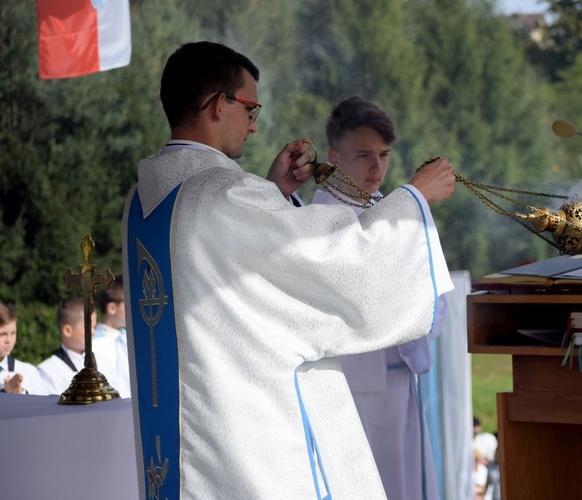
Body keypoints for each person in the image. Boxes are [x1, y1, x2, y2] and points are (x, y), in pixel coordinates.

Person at [122, 41, 455, 500]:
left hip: (190, 440)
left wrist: (272, 192)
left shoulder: (145, 201)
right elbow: (340, 262)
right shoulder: (224, 195)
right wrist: (413, 198)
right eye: (250, 109)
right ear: (220, 105)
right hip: (256, 445)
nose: (254, 126)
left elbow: (233, 275)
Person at [312, 95, 442, 499]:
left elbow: (435, 290)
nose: (377, 167)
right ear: (334, 155)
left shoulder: (394, 207)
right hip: (353, 381)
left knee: (408, 483)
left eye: (384, 155)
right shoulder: (320, 215)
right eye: (364, 154)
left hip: (402, 372)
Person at [38, 297, 96, 395]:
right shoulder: (47, 371)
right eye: (89, 326)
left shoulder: (104, 360)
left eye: (94, 326)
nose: (94, 332)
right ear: (68, 331)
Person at [92, 273, 131, 397]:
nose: (132, 309)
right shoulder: (95, 344)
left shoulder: (130, 339)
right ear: (112, 308)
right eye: (128, 303)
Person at [0, 301, 47, 395]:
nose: (8, 340)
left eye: (13, 333)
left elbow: (42, 406)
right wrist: (4, 393)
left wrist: (22, 394)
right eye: (2, 334)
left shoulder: (29, 372)